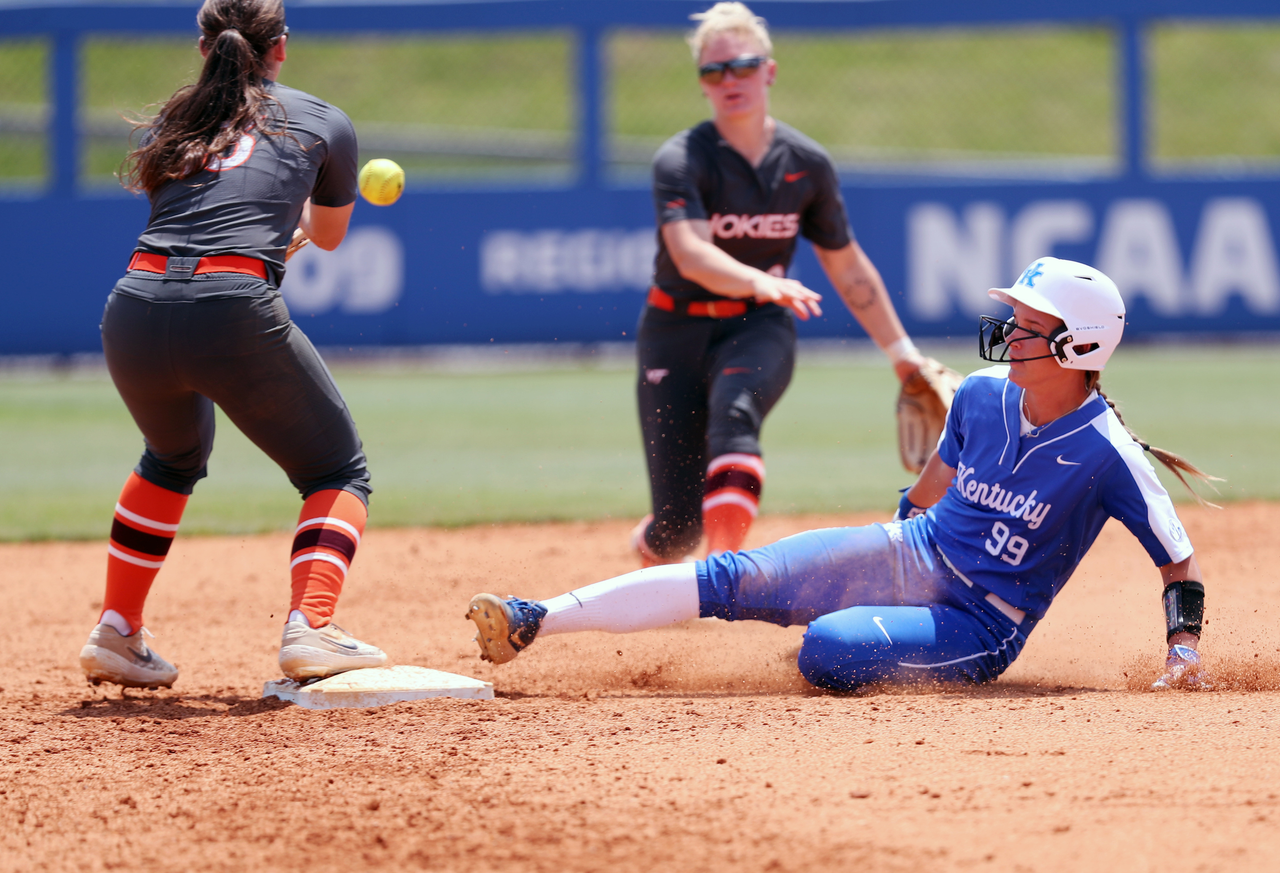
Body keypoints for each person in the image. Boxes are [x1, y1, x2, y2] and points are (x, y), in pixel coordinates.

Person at [467, 257, 1216, 693]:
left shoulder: (1106, 452)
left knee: (828, 648)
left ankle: (866, 627)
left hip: (981, 622)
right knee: (731, 575)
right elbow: (925, 494)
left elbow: (1176, 559)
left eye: (1029, 322)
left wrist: (1182, 651)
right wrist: (877, 558)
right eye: (1016, 314)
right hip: (912, 552)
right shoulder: (983, 397)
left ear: (1077, 344)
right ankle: (536, 614)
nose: (1011, 330)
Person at [78, 0, 386, 689]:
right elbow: (327, 235)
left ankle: (117, 629)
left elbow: (206, 205)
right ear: (282, 47)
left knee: (171, 455)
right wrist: (290, 224)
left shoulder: (175, 118)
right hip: (229, 306)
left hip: (133, 304)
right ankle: (311, 626)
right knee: (337, 469)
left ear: (203, 45)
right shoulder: (322, 118)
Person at [631, 1, 927, 565]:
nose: (729, 81)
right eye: (714, 71)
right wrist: (760, 280)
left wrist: (902, 353)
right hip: (674, 330)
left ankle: (721, 576)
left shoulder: (806, 163)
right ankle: (656, 543)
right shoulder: (681, 158)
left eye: (742, 66)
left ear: (769, 70)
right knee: (675, 529)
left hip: (757, 325)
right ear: (702, 84)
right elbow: (691, 254)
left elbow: (847, 264)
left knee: (736, 416)